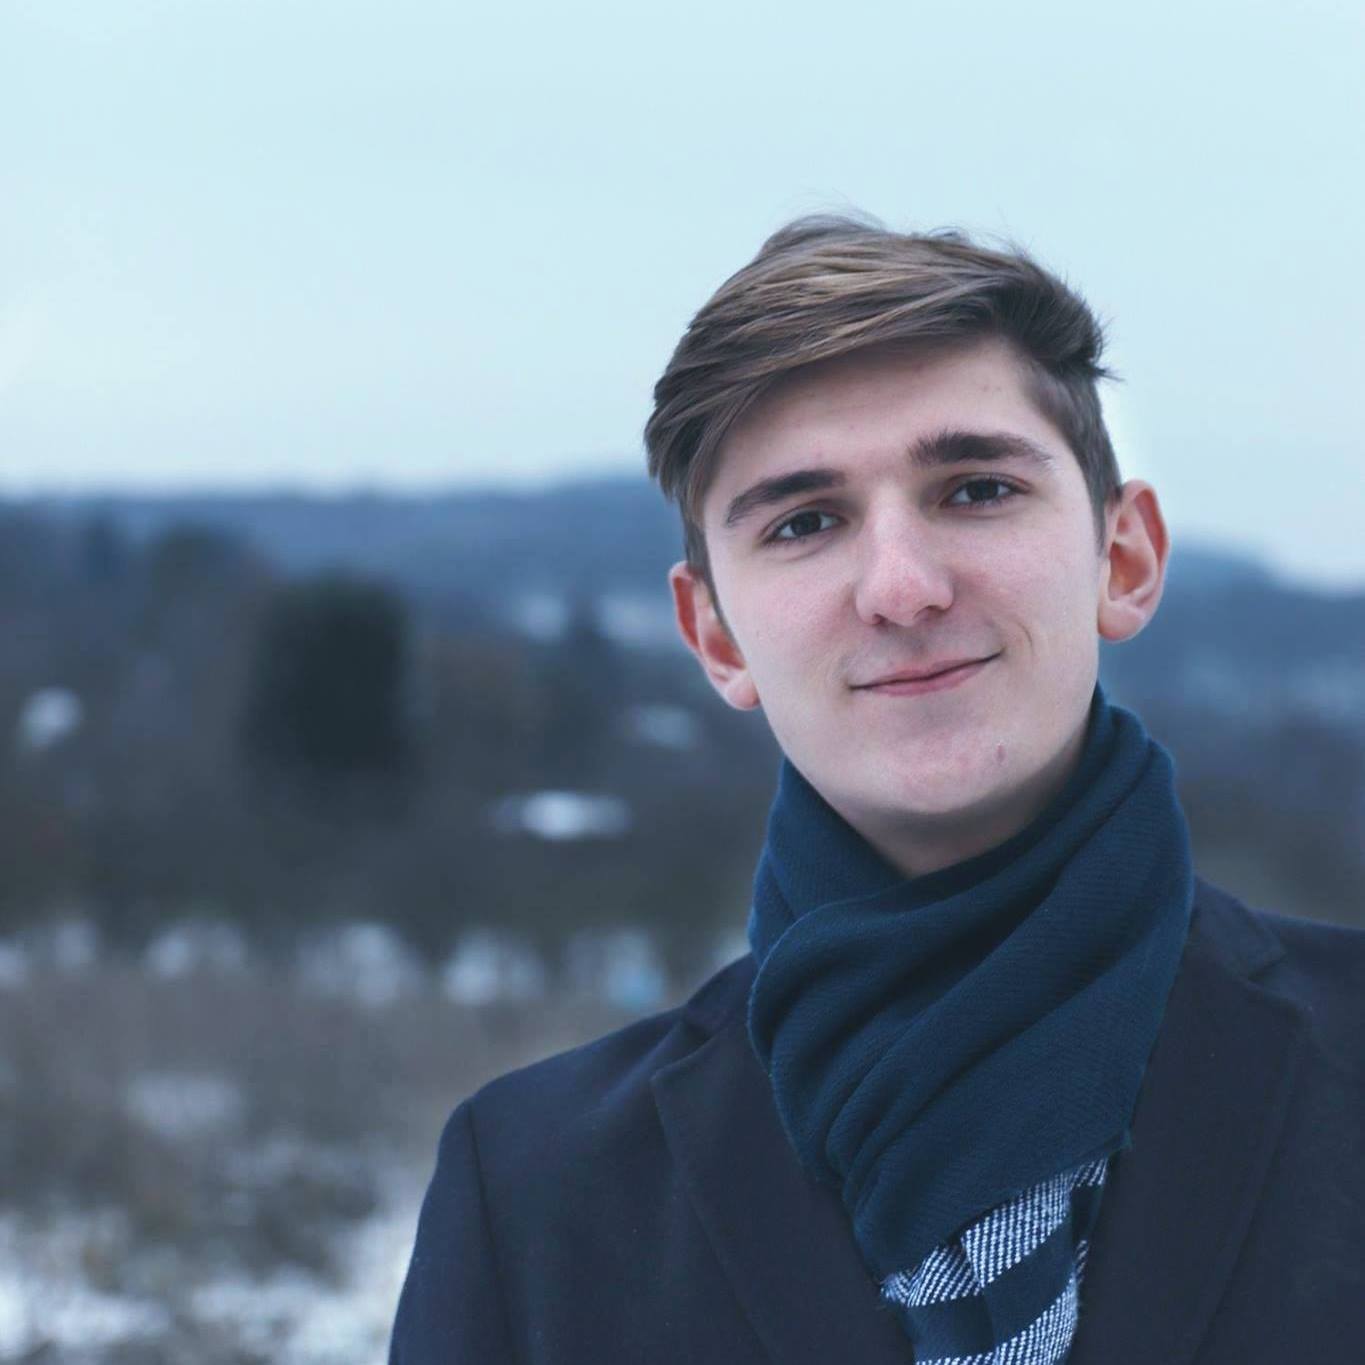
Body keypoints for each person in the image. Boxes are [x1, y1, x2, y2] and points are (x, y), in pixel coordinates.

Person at [388, 214, 1364, 1364]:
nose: (901, 588)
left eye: (976, 490)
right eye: (806, 522)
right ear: (716, 637)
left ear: (1125, 557)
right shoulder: (537, 1193)